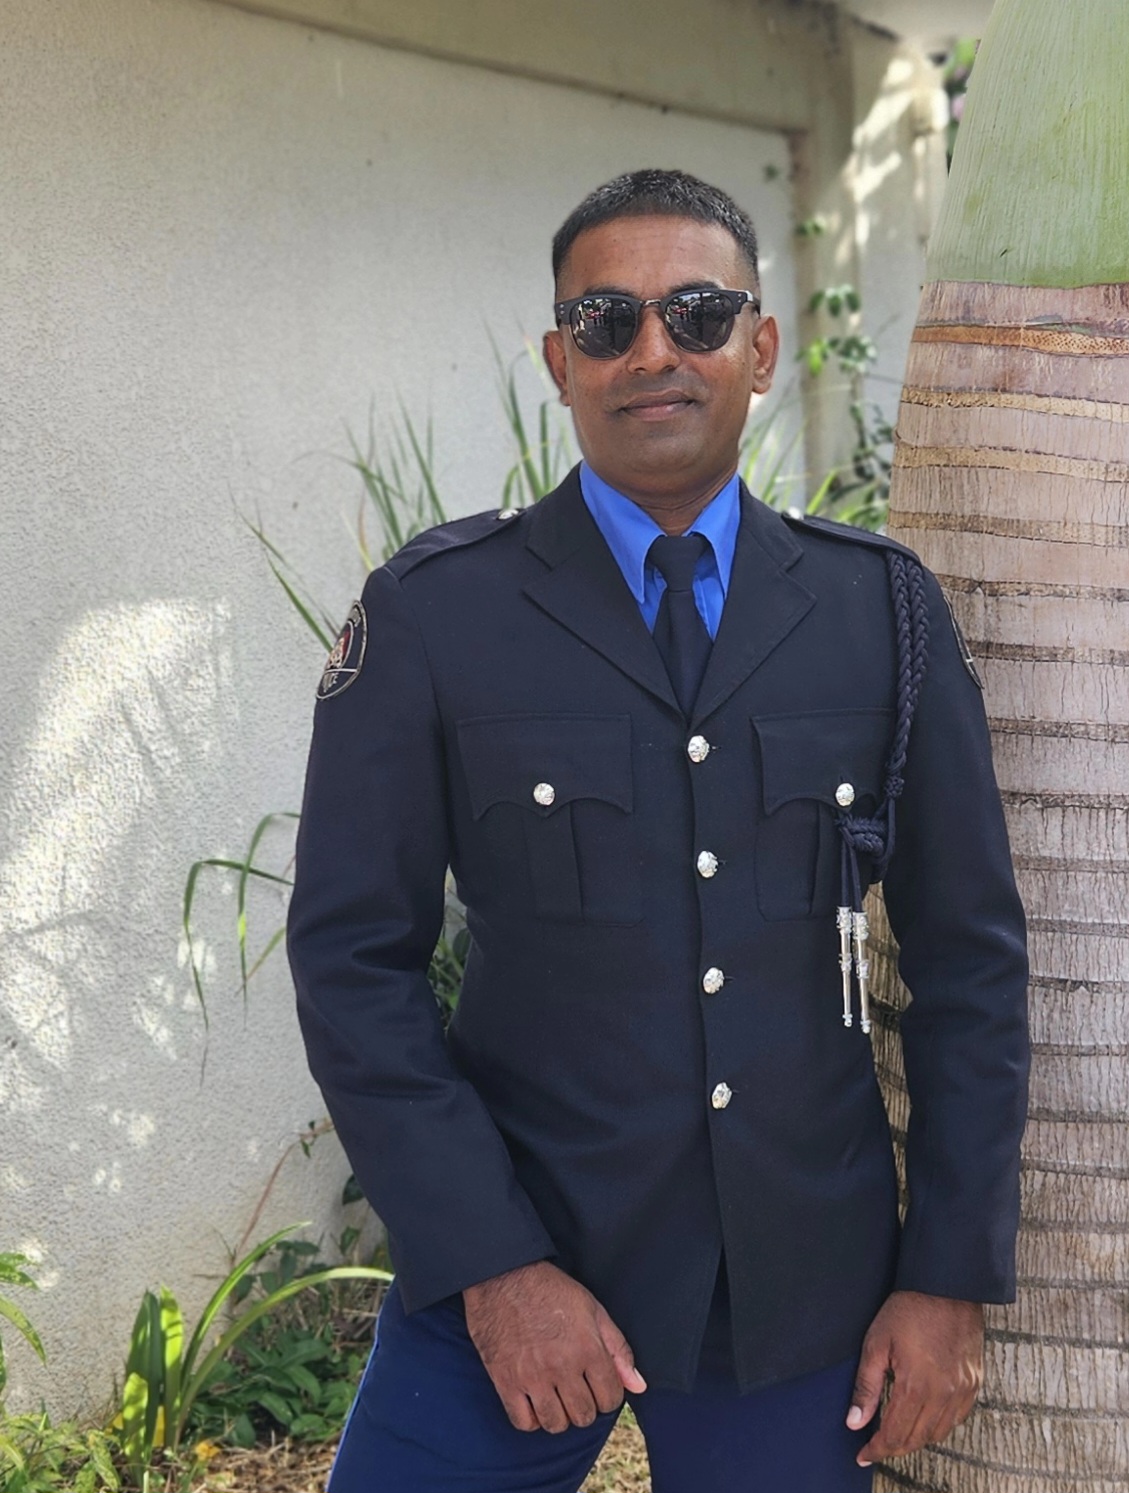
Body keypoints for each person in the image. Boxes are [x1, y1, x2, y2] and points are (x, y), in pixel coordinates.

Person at [287, 168, 1029, 1493]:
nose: (651, 353)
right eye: (605, 321)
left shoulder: (880, 615)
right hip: (524, 1253)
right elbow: (352, 961)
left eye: (696, 314)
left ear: (761, 347)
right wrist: (494, 1265)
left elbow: (969, 960)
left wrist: (947, 1275)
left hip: (796, 1285)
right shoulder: (436, 617)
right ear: (558, 362)